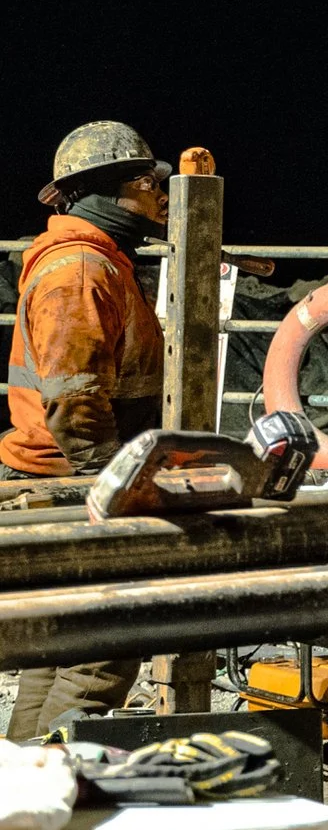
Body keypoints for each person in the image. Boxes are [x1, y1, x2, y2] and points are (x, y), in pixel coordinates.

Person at [3, 122, 171, 740]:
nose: (160, 190)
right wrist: (113, 493)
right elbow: (75, 404)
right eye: (146, 180)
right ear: (102, 191)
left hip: (64, 480)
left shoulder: (101, 263)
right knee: (104, 647)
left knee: (59, 653)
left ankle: (18, 798)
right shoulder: (80, 271)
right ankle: (48, 801)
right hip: (73, 482)